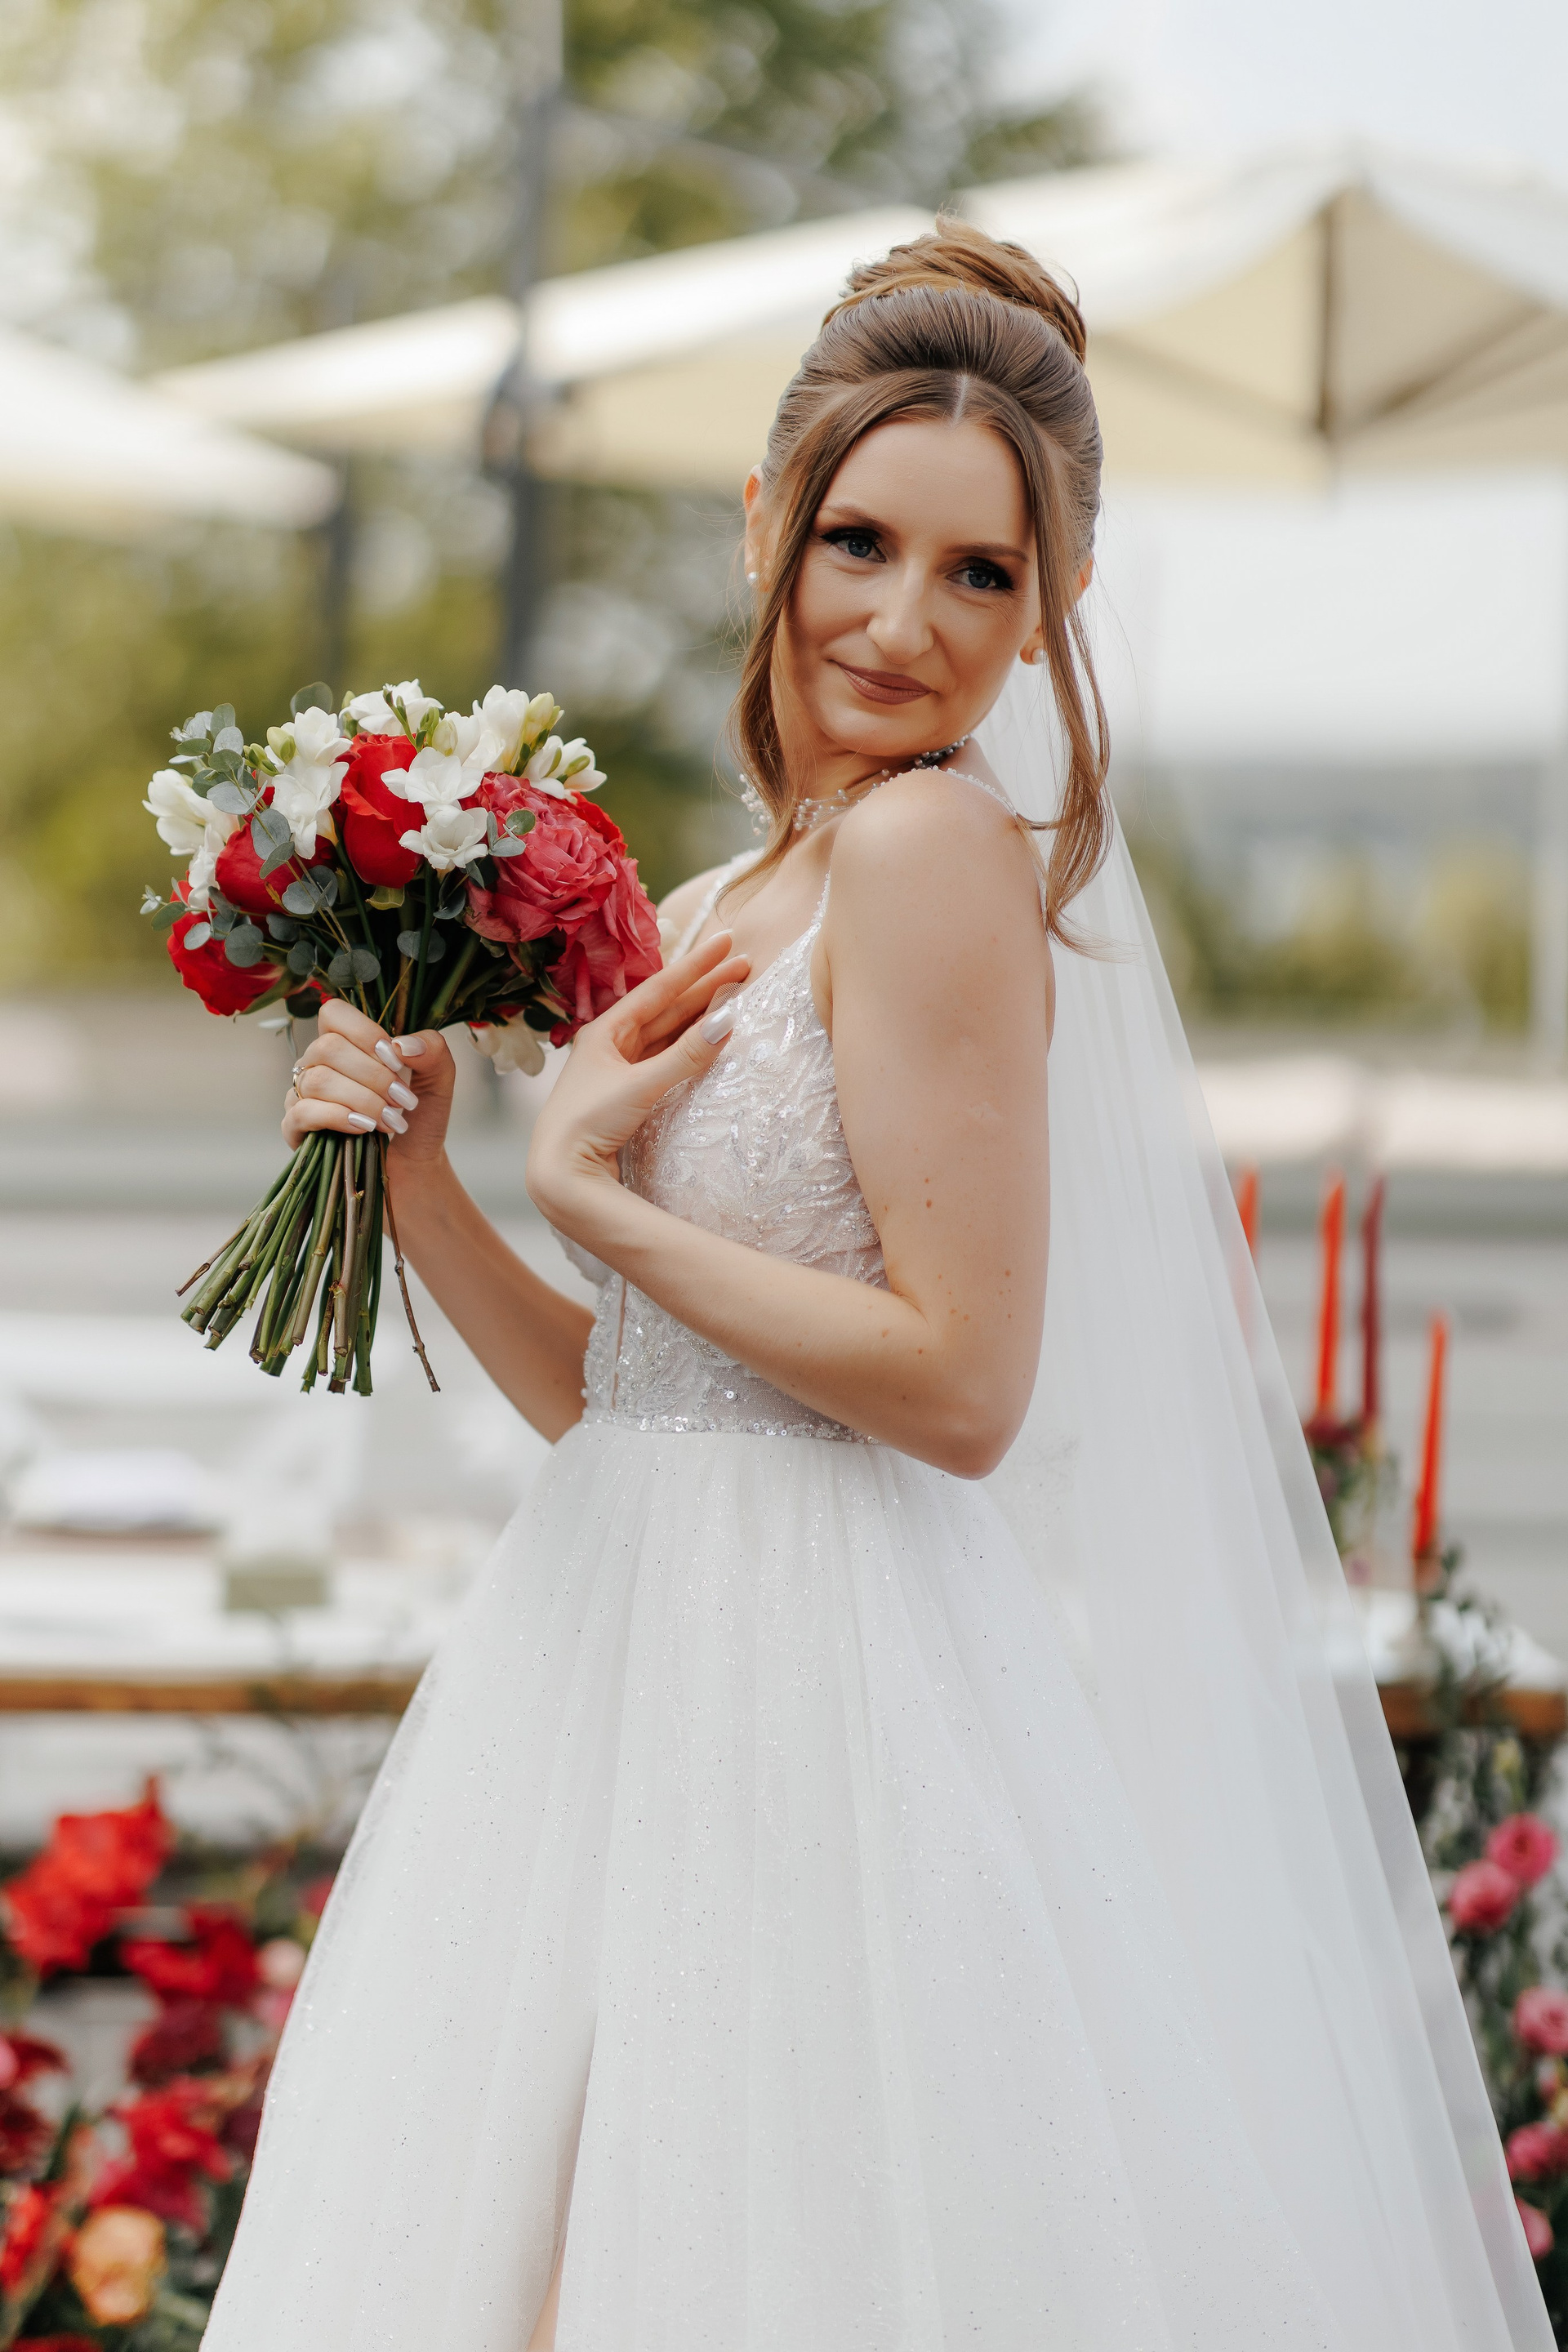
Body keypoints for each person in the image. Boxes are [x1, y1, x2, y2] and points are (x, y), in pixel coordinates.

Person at [203, 224, 1552, 2351]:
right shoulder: (725, 898)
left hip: (813, 1706)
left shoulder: (934, 856)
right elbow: (641, 1396)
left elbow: (962, 1384)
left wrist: (590, 1191)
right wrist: (430, 1188)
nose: (905, 621)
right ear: (765, 522)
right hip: (608, 1664)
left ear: (1053, 606)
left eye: (980, 574)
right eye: (858, 542)